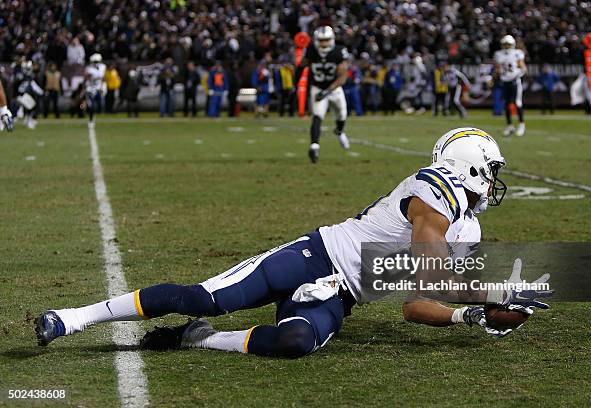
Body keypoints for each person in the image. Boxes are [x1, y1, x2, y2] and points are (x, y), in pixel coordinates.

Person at [35, 128, 552, 357]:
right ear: (470, 166)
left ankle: (199, 339)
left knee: (295, 343)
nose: (496, 180)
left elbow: (416, 304)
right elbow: (431, 275)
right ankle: (75, 317)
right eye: (493, 169)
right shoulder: (431, 191)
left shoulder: (467, 227)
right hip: (315, 255)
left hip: (339, 294)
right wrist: (493, 293)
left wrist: (473, 315)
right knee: (204, 296)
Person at [296, 26, 350, 163]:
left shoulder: (339, 52)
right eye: (321, 41)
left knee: (342, 115)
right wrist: (295, 82)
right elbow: (302, 65)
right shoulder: (312, 50)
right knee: (317, 116)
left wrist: (327, 91)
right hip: (318, 87)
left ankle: (339, 131)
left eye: (326, 40)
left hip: (334, 88)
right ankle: (314, 146)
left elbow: (343, 77)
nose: (324, 44)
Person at [494, 35, 527, 136]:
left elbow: (523, 68)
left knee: (517, 103)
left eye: (508, 44)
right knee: (506, 104)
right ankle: (510, 126)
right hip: (505, 81)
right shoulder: (498, 54)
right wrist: (494, 77)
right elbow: (498, 69)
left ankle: (521, 125)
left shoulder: (517, 53)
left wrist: (518, 74)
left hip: (515, 81)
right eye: (505, 44)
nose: (507, 46)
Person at [84, 53, 106, 125]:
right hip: (91, 88)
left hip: (99, 88)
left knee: (100, 105)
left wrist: (102, 87)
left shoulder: (103, 67)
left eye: (97, 61)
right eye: (95, 62)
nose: (96, 63)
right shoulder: (89, 68)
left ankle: (92, 115)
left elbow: (103, 78)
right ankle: (91, 118)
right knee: (92, 106)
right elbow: (87, 78)